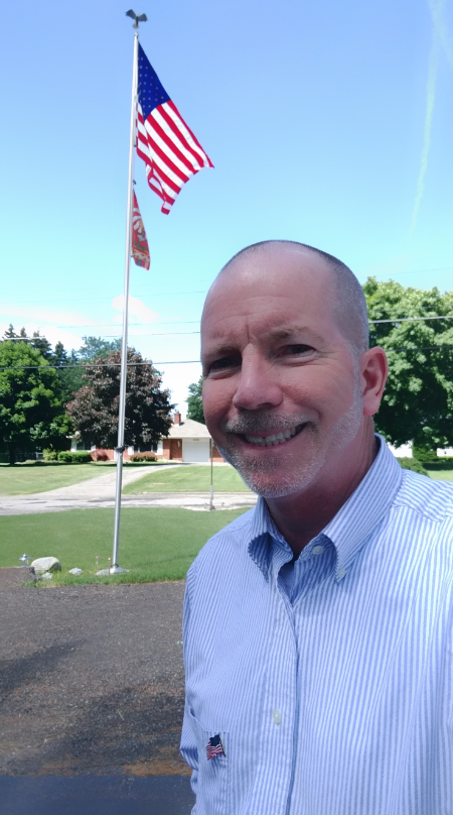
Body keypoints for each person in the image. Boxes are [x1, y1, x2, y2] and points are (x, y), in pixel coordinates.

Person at [180, 240, 453, 814]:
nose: (250, 392)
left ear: (370, 380)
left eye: (294, 349)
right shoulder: (212, 575)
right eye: (222, 362)